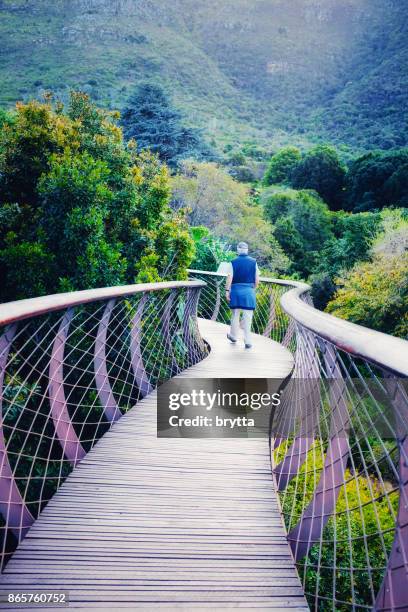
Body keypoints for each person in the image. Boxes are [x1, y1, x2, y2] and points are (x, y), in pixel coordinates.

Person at [225, 242, 259, 349]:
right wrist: (253, 288)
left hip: (235, 291)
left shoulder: (233, 262)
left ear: (238, 250)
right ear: (247, 250)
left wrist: (227, 290)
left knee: (235, 315)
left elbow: (229, 277)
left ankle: (233, 336)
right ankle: (248, 341)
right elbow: (257, 279)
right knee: (248, 317)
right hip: (248, 291)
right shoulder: (254, 262)